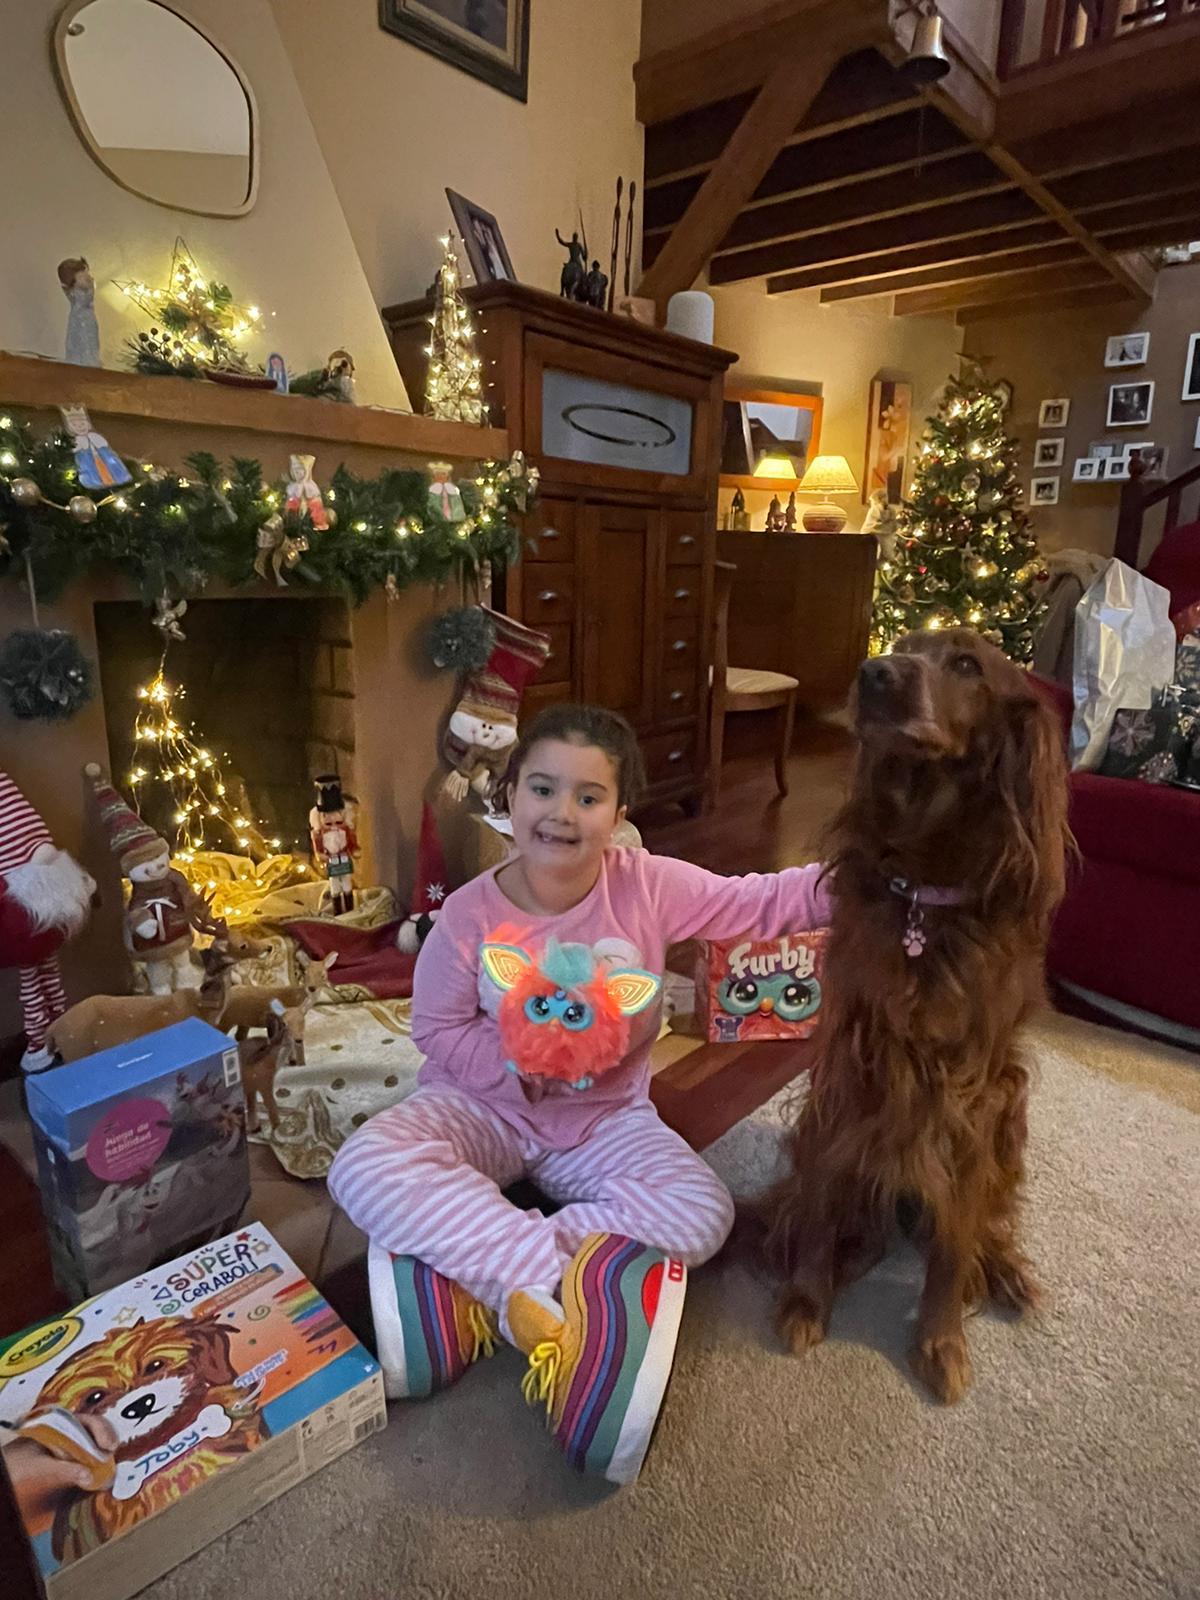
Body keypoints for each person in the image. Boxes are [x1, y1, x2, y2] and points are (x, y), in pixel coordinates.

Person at [328, 704, 832, 1485]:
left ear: (618, 814)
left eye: (587, 797)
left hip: (606, 1122)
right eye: (541, 789)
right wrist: (520, 1075)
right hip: (483, 1108)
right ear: (512, 797)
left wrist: (866, 880)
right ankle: (537, 1285)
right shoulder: (468, 915)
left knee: (706, 1213)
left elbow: (760, 902)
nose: (561, 813)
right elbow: (435, 1030)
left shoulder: (647, 887)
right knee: (363, 1161)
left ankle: (467, 1275)